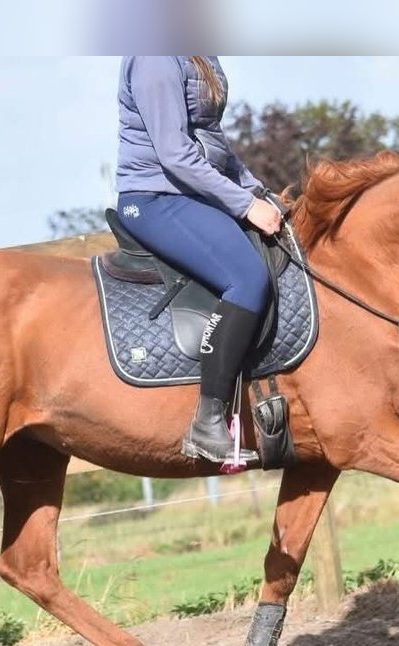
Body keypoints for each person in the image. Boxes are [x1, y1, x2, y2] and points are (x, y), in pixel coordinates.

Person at [114, 55, 283, 463]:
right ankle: (208, 422)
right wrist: (244, 206)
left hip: (191, 194)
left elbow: (213, 142)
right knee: (246, 277)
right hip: (154, 197)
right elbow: (175, 154)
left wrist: (258, 192)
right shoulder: (154, 56)